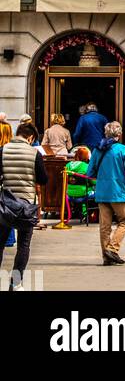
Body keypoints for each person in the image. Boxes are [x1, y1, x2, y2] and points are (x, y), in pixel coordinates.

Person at [0, 120, 46, 289]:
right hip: (26, 204)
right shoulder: (35, 153)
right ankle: (15, 283)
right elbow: (43, 179)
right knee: (23, 245)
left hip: (5, 204)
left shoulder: (3, 150)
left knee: (0, 243)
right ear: (31, 137)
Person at [86, 121, 125, 266]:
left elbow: (90, 172)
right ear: (119, 135)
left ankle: (106, 257)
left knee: (105, 226)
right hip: (119, 191)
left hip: (102, 192)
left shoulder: (97, 149)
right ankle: (112, 249)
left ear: (106, 133)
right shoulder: (123, 150)